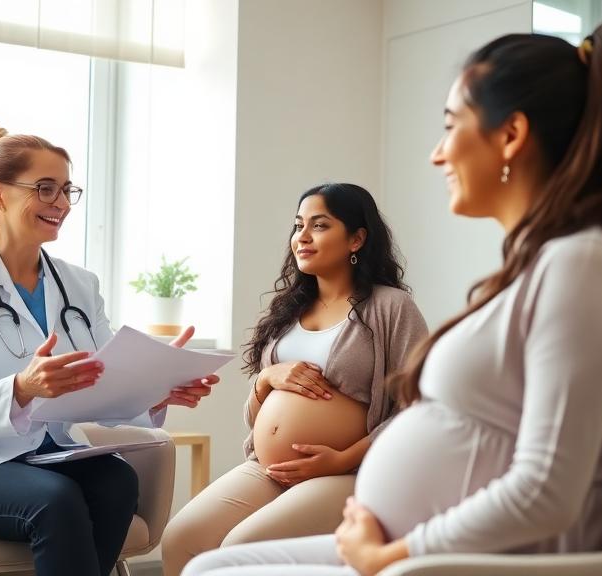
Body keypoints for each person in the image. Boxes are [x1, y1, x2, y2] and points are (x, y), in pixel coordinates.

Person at [181, 23, 602, 576]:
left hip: (449, 560)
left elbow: (546, 491)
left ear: (511, 134)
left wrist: (397, 552)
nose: (437, 155)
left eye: (450, 127)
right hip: (408, 540)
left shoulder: (579, 264)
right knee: (205, 566)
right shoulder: (541, 266)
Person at [0, 120, 219, 576]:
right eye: (45, 189)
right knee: (56, 500)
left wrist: (156, 388)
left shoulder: (79, 285)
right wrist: (22, 388)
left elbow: (106, 385)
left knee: (116, 483)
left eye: (68, 190)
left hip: (46, 452)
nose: (61, 204)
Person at [162, 183, 427, 575]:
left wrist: (341, 459)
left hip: (349, 471)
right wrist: (266, 378)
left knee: (242, 547)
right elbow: (256, 416)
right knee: (182, 537)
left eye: (319, 226)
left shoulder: (391, 307)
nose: (301, 237)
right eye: (298, 225)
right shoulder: (287, 312)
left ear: (357, 238)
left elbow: (419, 406)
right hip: (268, 469)